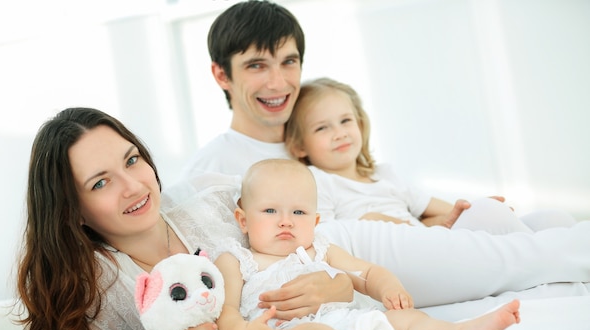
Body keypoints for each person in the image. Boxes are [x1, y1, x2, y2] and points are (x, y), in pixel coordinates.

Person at [178, 0, 590, 308]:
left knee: (547, 222)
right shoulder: (214, 167)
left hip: (398, 241)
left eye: (289, 62)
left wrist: (442, 220)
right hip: (361, 266)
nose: (278, 81)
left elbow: (389, 195)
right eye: (256, 66)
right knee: (529, 253)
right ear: (221, 74)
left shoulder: (317, 132)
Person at [13, 107, 353, 330]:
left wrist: (341, 285)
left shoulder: (216, 201)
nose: (133, 186)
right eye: (101, 183)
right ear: (73, 211)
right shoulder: (91, 287)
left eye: (132, 160)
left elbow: (317, 240)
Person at [214, 159, 521, 330]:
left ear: (315, 221)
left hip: (346, 319)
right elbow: (227, 315)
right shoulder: (237, 260)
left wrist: (389, 287)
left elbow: (367, 273)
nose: (285, 221)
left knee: (404, 318)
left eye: (298, 212)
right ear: (242, 219)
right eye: (270, 210)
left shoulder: (320, 248)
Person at [284, 77, 577, 234]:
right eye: (323, 128)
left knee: (553, 218)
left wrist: (463, 214)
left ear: (360, 123)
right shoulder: (318, 181)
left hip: (424, 240)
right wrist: (395, 224)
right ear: (300, 147)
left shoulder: (385, 176)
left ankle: (538, 243)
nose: (340, 133)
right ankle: (536, 250)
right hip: (397, 256)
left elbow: (449, 210)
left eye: (346, 121)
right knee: (490, 218)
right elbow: (329, 233)